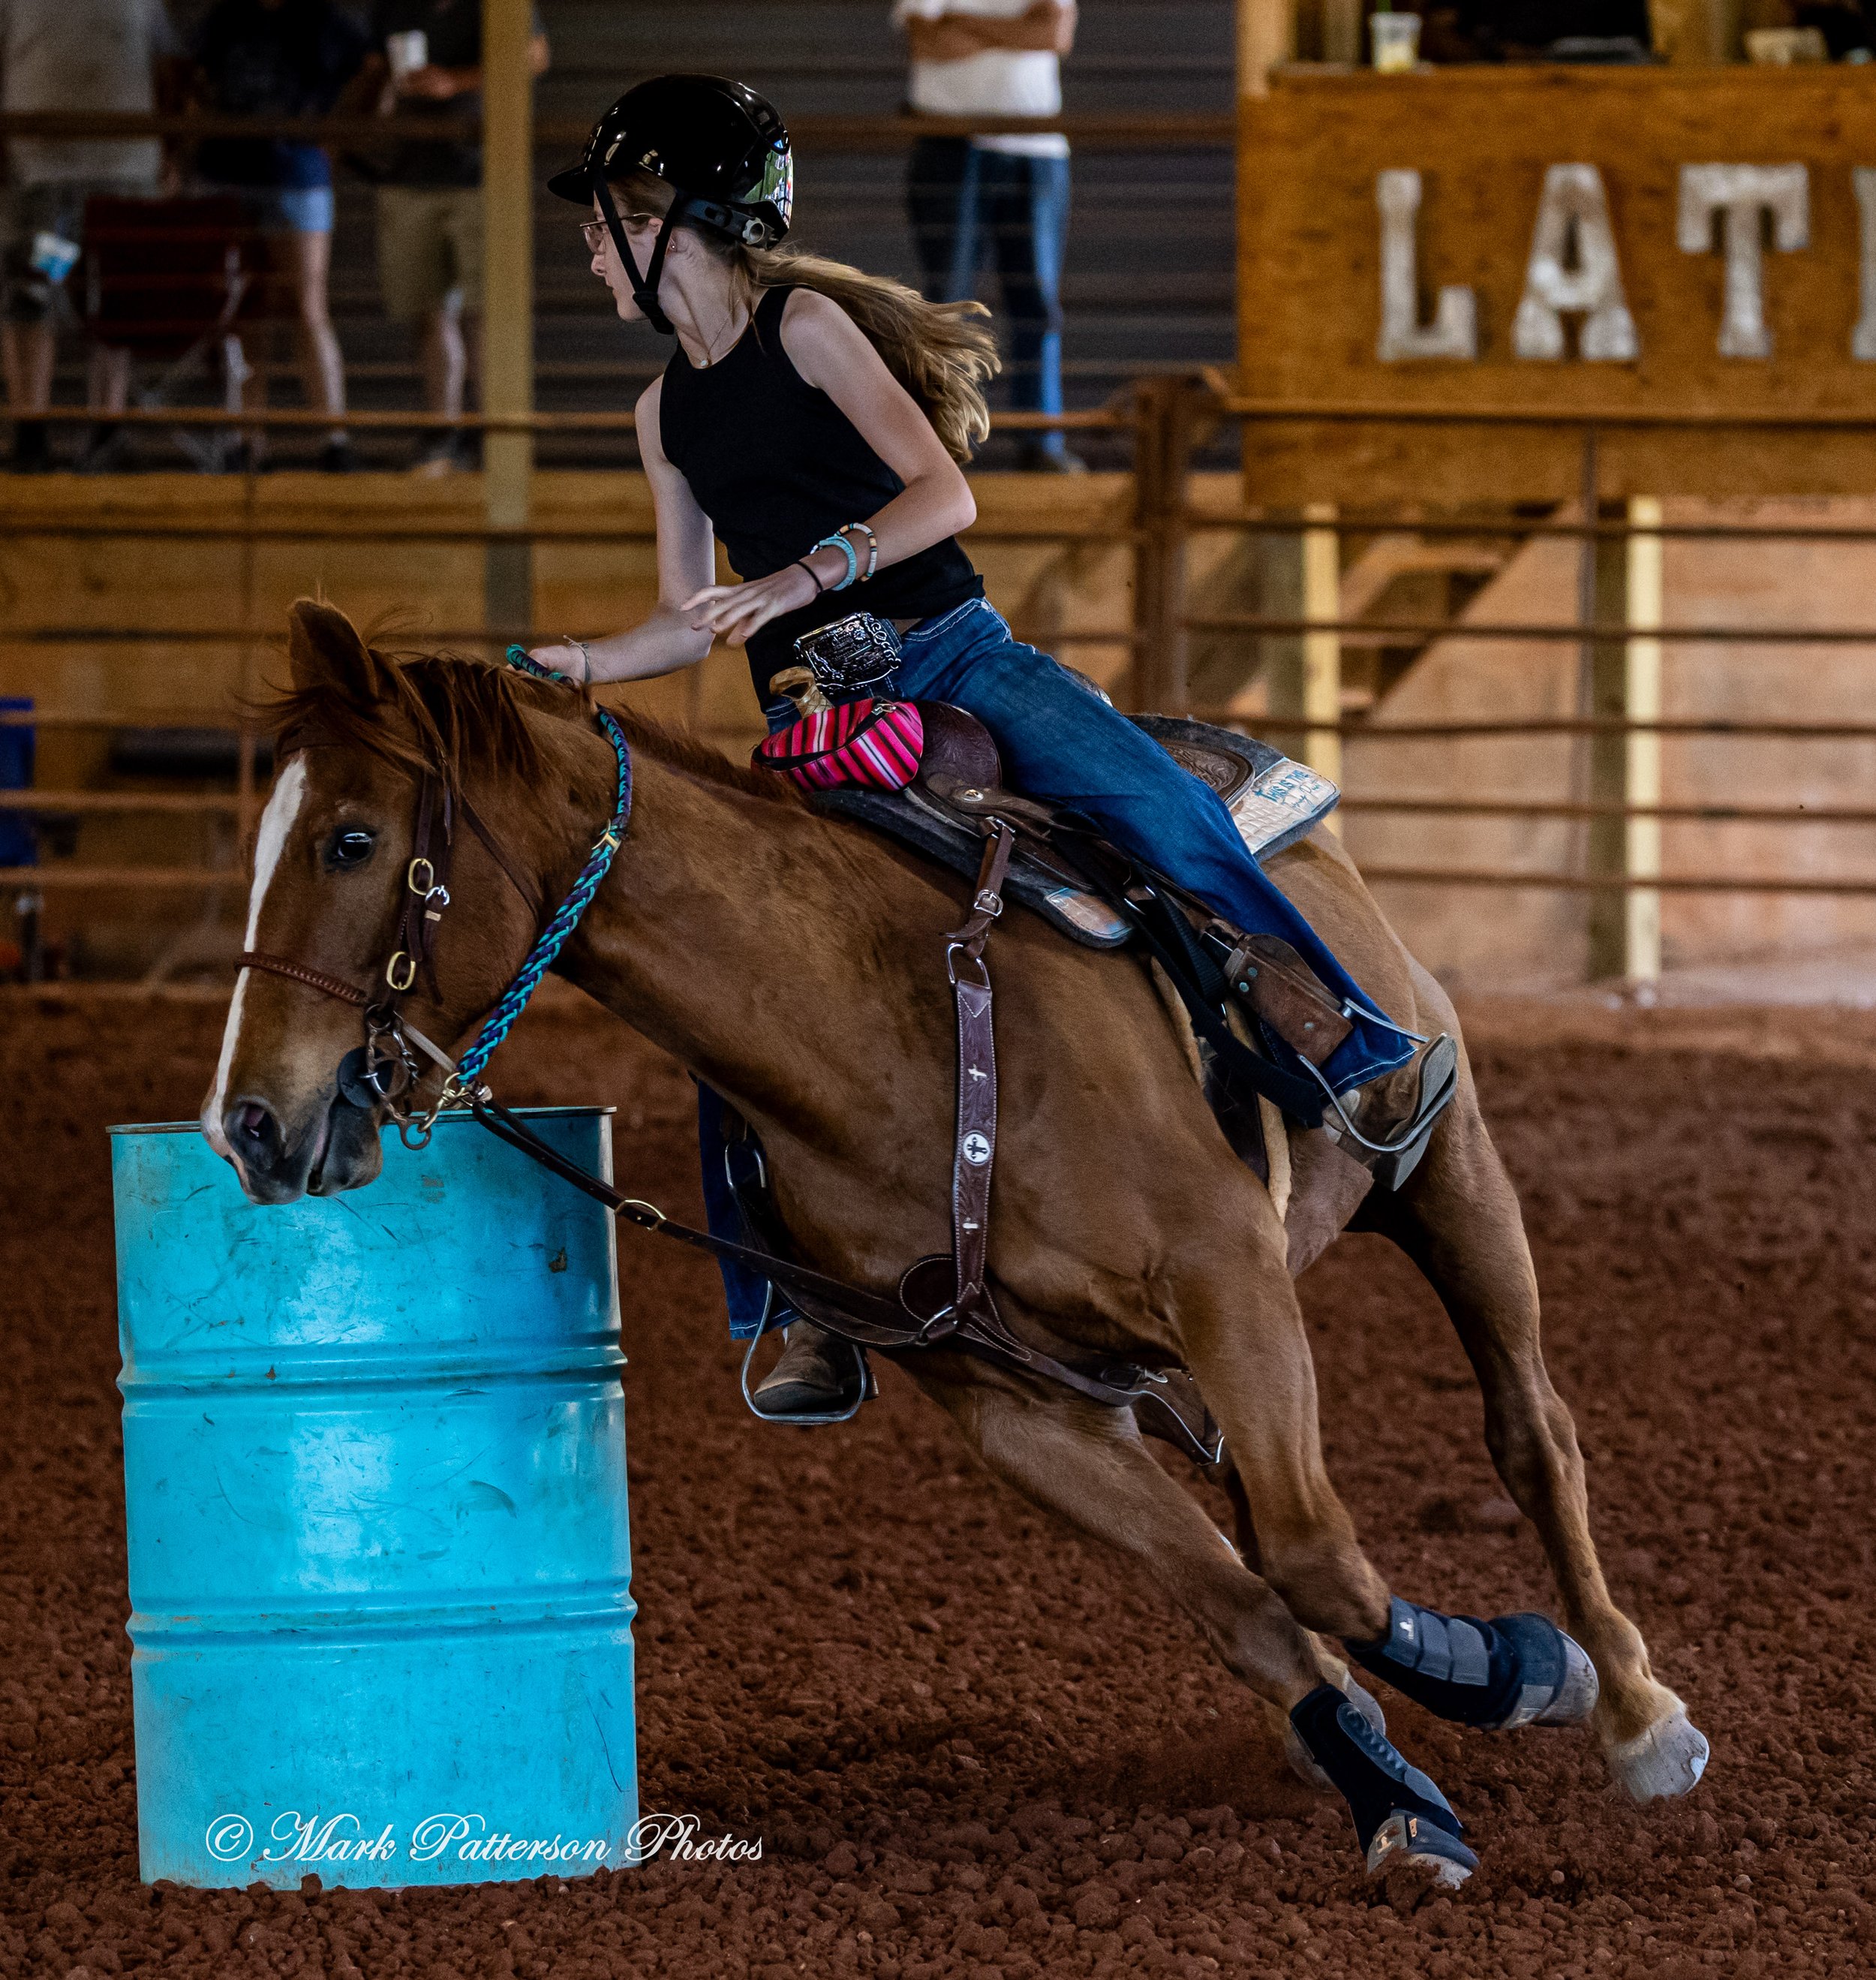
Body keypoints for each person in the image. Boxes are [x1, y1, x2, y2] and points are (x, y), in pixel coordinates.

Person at [531, 77, 1442, 1419]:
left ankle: (1334, 1028)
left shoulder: (813, 329)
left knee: (1148, 798)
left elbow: (943, 492)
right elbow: (687, 616)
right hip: (820, 737)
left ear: (677, 218)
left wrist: (801, 578)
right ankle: (800, 1307)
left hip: (955, 661)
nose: (593, 249)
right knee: (729, 992)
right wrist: (586, 665)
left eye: (607, 223)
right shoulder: (663, 416)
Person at [353, 0, 546, 474]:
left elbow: (535, 55)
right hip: (407, 174)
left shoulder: (496, 7)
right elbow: (374, 71)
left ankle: (494, 436)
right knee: (428, 312)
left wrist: (454, 81)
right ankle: (443, 433)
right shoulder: (391, 10)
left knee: (486, 314)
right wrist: (375, 100)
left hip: (480, 173)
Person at [896, 0, 1080, 471]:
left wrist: (964, 23)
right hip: (950, 147)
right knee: (947, 305)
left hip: (1037, 148)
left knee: (1037, 302)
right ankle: (948, 441)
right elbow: (930, 42)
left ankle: (1042, 441)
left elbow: (1054, 34)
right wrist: (1016, 29)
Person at [0, 0, 182, 471]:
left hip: (118, 176)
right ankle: (30, 426)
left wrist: (170, 146)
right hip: (45, 178)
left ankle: (108, 424)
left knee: (109, 298)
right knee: (36, 290)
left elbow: (168, 69)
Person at [191, 0, 367, 472]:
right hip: (228, 171)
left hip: (296, 174)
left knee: (308, 302)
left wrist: (335, 131)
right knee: (245, 309)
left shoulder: (323, 21)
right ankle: (249, 439)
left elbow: (370, 70)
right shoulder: (225, 20)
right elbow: (191, 75)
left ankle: (335, 438)